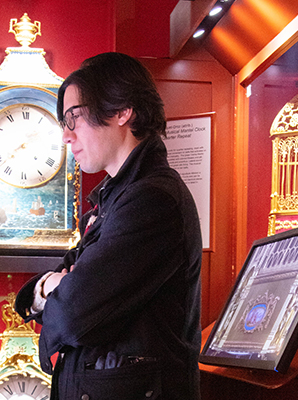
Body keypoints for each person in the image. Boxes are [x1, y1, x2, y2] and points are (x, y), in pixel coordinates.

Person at [15, 52, 203, 400]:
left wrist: (63, 288)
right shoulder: (114, 197)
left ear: (121, 110)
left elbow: (73, 313)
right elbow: (66, 298)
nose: (66, 136)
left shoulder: (153, 200)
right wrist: (48, 288)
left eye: (74, 117)